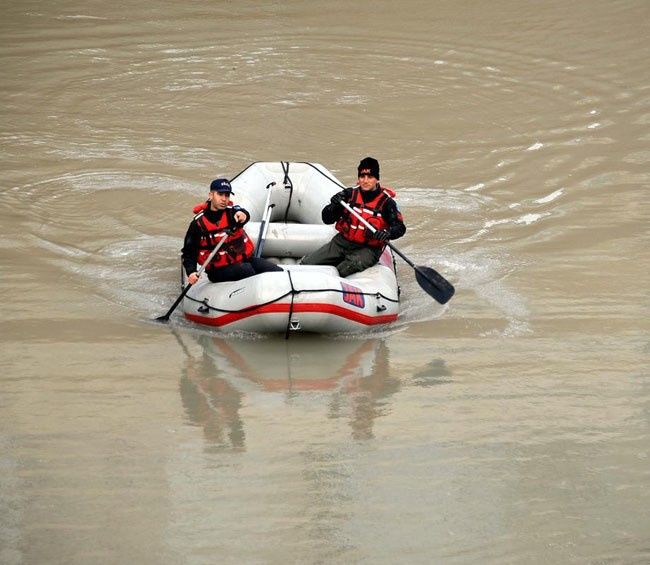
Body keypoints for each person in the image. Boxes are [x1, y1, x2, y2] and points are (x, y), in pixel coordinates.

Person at [300, 157, 406, 277]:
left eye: (370, 177)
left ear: (377, 179)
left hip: (368, 249)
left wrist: (387, 233)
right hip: (341, 243)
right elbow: (327, 219)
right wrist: (334, 206)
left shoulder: (387, 203)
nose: (365, 181)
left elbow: (400, 228)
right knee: (307, 263)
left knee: (343, 269)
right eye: (362, 177)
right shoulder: (348, 195)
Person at [182, 178, 283, 285]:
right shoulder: (198, 224)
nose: (224, 199)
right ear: (211, 195)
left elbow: (244, 214)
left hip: (242, 261)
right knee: (247, 270)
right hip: (217, 270)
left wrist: (244, 215)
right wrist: (191, 272)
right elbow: (188, 252)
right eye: (220, 194)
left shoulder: (232, 213)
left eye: (227, 195)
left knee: (277, 271)